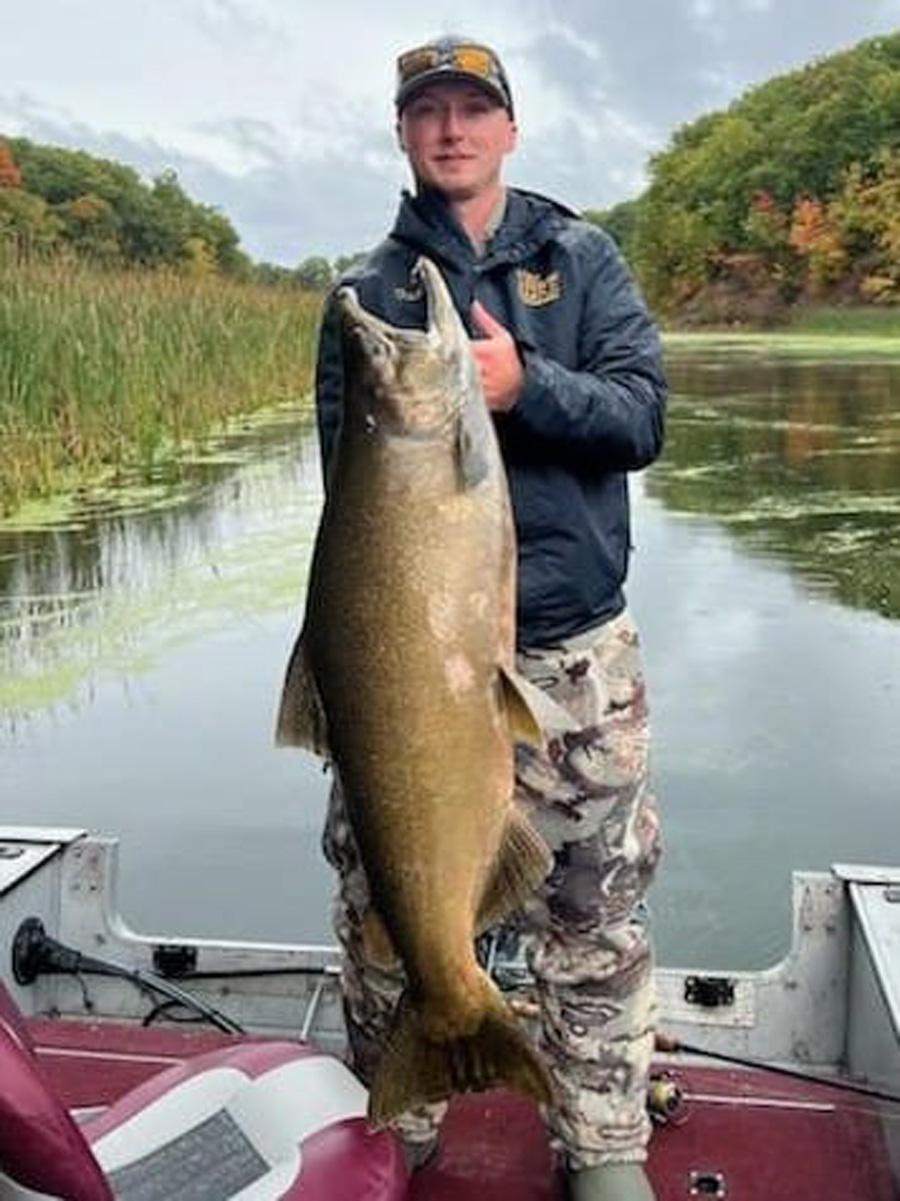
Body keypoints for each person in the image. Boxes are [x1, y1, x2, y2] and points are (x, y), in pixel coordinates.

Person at [313, 35, 666, 1201]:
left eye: (474, 109)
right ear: (404, 134)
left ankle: (604, 1147)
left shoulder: (585, 256)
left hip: (574, 658)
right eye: (428, 112)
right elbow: (350, 498)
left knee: (592, 918)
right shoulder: (364, 297)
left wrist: (525, 390)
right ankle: (395, 1126)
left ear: (510, 129)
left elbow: (641, 417)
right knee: (386, 912)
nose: (452, 129)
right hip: (411, 667)